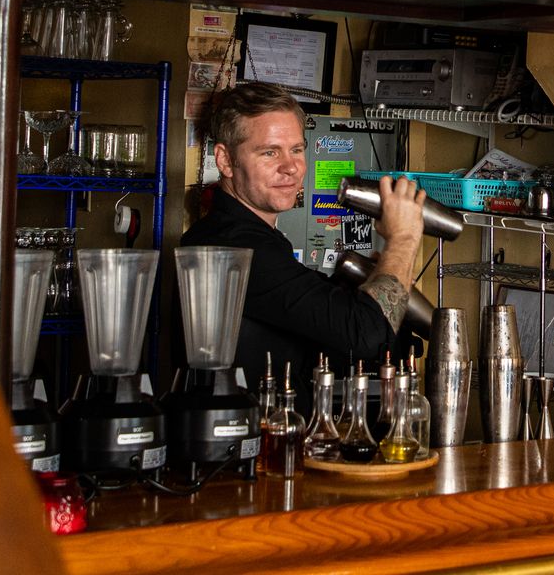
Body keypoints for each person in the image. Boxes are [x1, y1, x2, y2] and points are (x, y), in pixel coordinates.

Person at [179, 82, 426, 407]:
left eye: (296, 149)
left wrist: (378, 279)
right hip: (252, 446)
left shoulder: (241, 237)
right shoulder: (236, 247)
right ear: (225, 160)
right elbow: (365, 335)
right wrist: (404, 237)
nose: (291, 167)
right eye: (269, 152)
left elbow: (336, 331)